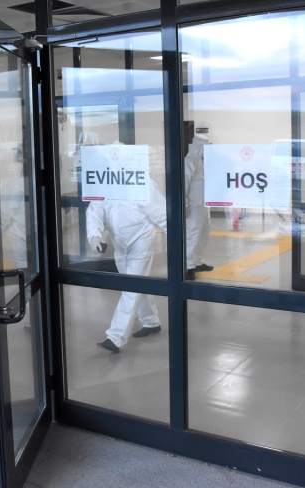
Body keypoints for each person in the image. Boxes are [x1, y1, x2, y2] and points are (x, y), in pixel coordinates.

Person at [87, 170, 167, 354]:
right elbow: (95, 209)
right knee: (135, 283)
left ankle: (116, 337)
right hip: (120, 242)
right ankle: (151, 321)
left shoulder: (142, 180)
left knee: (131, 286)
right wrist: (94, 235)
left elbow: (160, 211)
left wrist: (175, 237)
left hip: (142, 238)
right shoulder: (104, 180)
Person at [185, 133, 214, 280]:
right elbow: (183, 185)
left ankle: (197, 262)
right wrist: (184, 206)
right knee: (192, 235)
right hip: (193, 207)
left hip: (203, 206)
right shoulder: (189, 162)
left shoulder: (201, 162)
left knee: (204, 234)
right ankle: (188, 267)